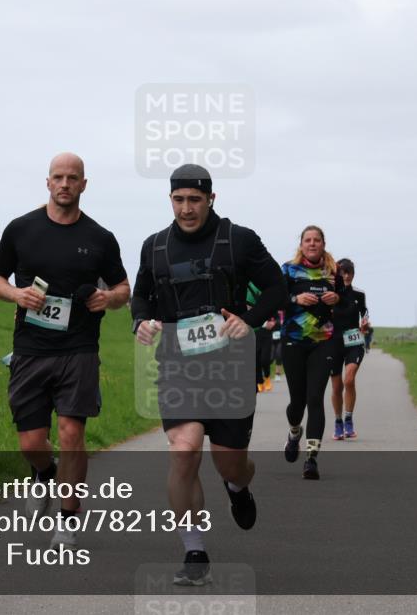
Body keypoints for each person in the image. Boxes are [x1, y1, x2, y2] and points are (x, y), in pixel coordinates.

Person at [131, 164, 285, 586]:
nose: (186, 209)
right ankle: (194, 550)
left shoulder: (239, 240)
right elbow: (141, 297)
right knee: (185, 449)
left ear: (211, 199)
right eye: (179, 200)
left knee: (230, 464)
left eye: (194, 200)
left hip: (229, 368)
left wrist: (249, 320)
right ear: (170, 201)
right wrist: (141, 322)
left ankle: (238, 488)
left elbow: (277, 288)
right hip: (178, 366)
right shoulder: (155, 246)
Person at [0, 152, 129, 550]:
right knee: (31, 443)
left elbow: (123, 289)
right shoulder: (21, 229)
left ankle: (66, 521)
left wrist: (108, 298)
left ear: (84, 184)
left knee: (71, 434)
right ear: (47, 183)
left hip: (79, 349)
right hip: (30, 349)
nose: (65, 184)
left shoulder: (100, 237)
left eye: (73, 178)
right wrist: (16, 293)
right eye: (58, 177)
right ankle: (43, 473)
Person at [280, 226, 343, 480]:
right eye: (308, 240)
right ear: (301, 244)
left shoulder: (333, 271)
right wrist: (296, 300)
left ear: (323, 243)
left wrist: (337, 300)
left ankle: (311, 458)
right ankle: (294, 432)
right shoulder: (288, 269)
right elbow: (275, 299)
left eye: (317, 240)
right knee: (298, 402)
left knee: (315, 397)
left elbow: (350, 303)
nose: (312, 244)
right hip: (294, 340)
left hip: (323, 341)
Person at [329, 258, 370, 440]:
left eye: (349, 272)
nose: (346, 276)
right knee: (337, 387)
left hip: (354, 341)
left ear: (353, 274)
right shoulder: (330, 294)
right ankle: (338, 422)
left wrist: (365, 323)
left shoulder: (359, 294)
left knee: (349, 380)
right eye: (342, 272)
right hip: (333, 343)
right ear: (337, 274)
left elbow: (365, 312)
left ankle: (348, 419)